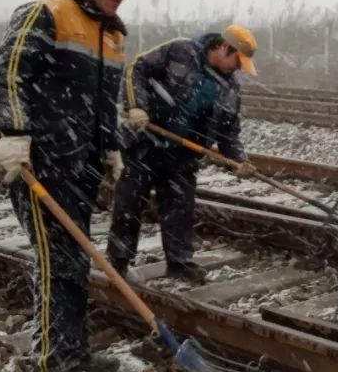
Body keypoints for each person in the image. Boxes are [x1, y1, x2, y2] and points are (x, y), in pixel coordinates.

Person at [0, 0, 146, 372]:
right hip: (41, 160)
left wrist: (111, 146)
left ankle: (74, 350)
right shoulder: (48, 12)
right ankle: (50, 364)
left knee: (75, 256)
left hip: (81, 163)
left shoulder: (112, 35)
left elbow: (102, 104)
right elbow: (9, 71)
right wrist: (15, 133)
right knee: (57, 258)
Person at [107, 26, 259, 282]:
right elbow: (137, 69)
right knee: (129, 203)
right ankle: (118, 262)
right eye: (237, 60)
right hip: (145, 141)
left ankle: (179, 263)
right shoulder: (180, 51)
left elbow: (229, 132)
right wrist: (136, 107)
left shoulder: (230, 88)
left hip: (183, 152)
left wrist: (239, 160)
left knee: (180, 206)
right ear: (223, 47)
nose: (239, 68)